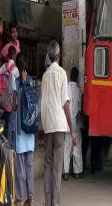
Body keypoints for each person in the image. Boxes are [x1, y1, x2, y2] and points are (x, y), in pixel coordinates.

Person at [41, 40, 77, 206]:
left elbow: (43, 102)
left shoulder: (45, 75)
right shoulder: (62, 73)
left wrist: (43, 126)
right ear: (59, 55)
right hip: (60, 125)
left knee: (48, 165)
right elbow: (66, 104)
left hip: (48, 125)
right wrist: (72, 130)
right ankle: (55, 204)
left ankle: (48, 202)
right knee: (57, 167)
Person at [12, 52, 35, 206]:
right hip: (31, 129)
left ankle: (20, 199)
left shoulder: (16, 82)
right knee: (30, 167)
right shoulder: (32, 81)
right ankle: (31, 198)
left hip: (21, 130)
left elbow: (13, 105)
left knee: (20, 169)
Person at [63, 66, 83, 180]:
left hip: (66, 123)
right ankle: (77, 171)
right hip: (75, 123)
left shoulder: (66, 88)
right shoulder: (78, 91)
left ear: (70, 76)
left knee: (66, 147)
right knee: (77, 146)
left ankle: (65, 172)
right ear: (78, 77)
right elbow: (79, 110)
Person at [0, 46, 19, 141]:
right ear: (15, 55)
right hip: (13, 100)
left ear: (8, 55)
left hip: (4, 98)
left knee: (6, 122)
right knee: (12, 123)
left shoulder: (4, 66)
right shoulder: (16, 70)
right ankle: (10, 144)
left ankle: (4, 141)